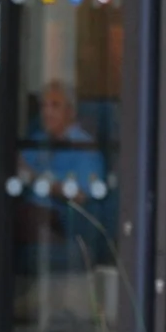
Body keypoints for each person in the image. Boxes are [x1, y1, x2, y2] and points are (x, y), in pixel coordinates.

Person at [19, 81, 108, 268]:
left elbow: (80, 196)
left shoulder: (84, 148)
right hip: (28, 211)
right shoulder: (37, 142)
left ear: (71, 111)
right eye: (44, 106)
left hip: (59, 218)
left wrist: (36, 179)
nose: (47, 113)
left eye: (55, 105)